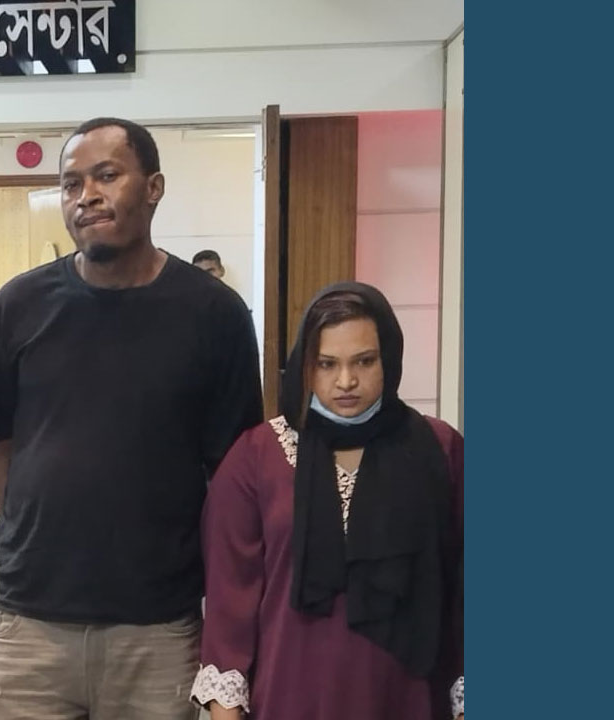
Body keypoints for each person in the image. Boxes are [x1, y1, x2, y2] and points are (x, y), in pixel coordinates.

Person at [0, 117, 263, 720]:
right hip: (30, 624)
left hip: (158, 629)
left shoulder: (215, 315)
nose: (87, 196)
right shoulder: (18, 306)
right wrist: (39, 536)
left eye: (107, 176)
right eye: (71, 184)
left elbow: (233, 477)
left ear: (154, 187)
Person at [191, 282, 464, 720]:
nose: (346, 381)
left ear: (389, 358)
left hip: (408, 700)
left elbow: (463, 593)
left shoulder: (440, 450)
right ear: (305, 366)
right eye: (327, 363)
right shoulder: (256, 458)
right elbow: (229, 608)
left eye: (364, 361)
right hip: (288, 700)